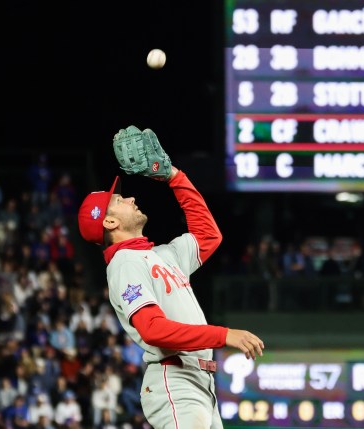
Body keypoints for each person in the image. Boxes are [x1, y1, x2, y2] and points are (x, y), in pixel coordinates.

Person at [77, 125, 264, 428]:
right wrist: (224, 335)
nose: (130, 198)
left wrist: (175, 178)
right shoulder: (124, 262)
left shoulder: (162, 255)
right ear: (109, 221)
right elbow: (152, 329)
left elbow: (208, 235)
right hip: (174, 379)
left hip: (199, 383)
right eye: (119, 201)